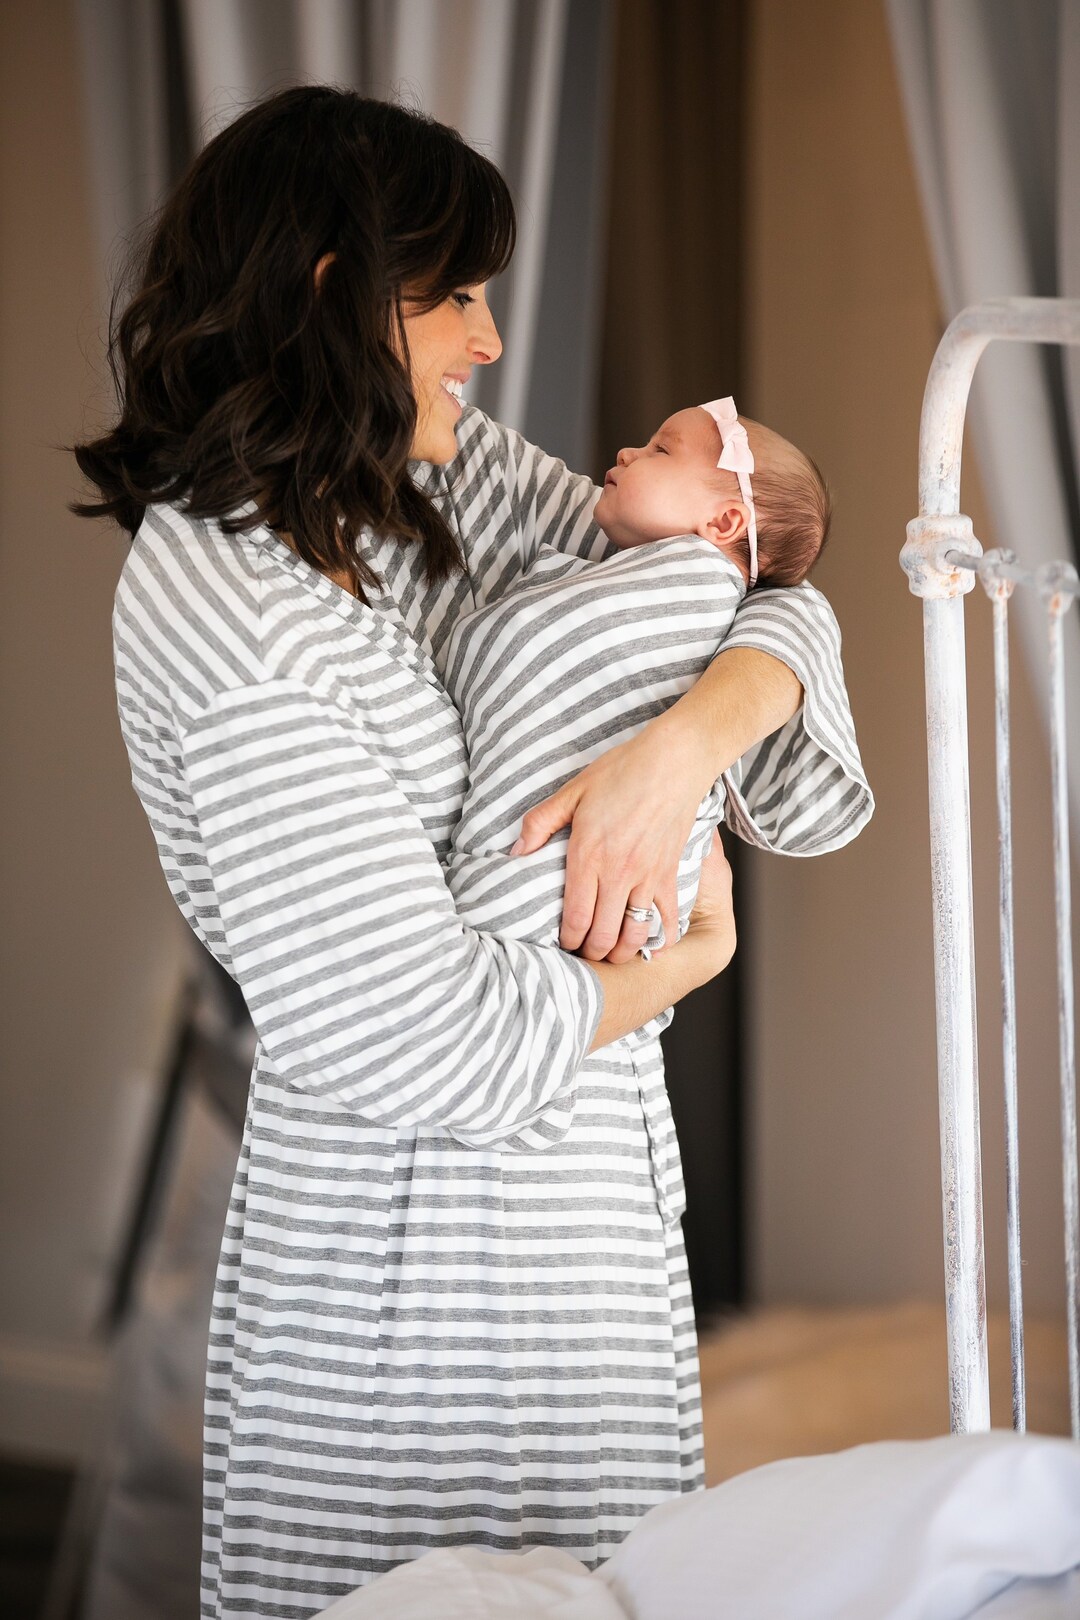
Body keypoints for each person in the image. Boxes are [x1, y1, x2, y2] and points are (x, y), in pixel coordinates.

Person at [73, 87, 871, 1617]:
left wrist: (673, 754)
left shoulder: (413, 477)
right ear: (341, 295)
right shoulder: (245, 634)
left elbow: (751, 569)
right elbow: (429, 1044)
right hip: (405, 1286)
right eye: (455, 297)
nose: (491, 342)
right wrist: (692, 962)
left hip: (575, 1212)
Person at [441, 395, 844, 967]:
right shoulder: (636, 570)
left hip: (544, 882)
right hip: (510, 866)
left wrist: (678, 754)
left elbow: (801, 614)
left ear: (725, 522)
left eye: (660, 450)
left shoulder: (701, 589)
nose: (628, 452)